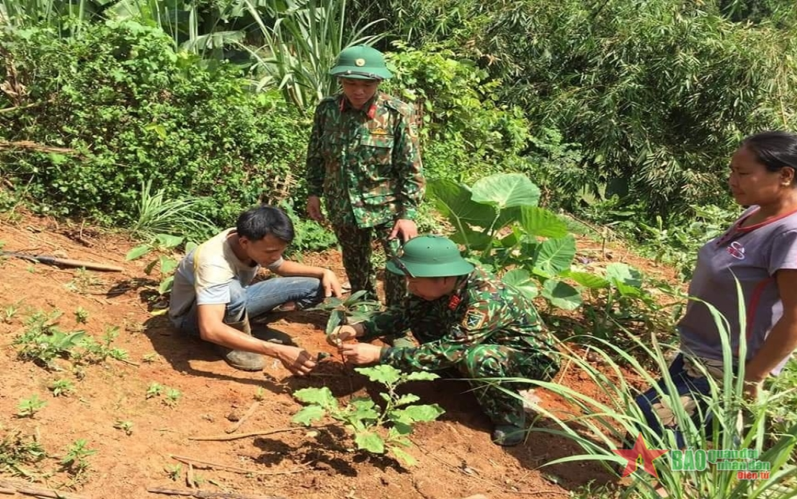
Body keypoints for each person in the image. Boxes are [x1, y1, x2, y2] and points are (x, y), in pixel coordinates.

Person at [635, 130, 797, 446]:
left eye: (743, 173)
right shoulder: (755, 211)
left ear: (786, 175)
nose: (732, 180)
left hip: (729, 366)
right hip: (698, 352)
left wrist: (753, 377)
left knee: (650, 433)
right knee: (696, 441)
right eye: (732, 171)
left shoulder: (789, 235)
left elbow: (795, 316)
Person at [329, 235, 561, 446]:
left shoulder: (486, 299)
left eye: (414, 280)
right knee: (424, 319)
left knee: (478, 358)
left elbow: (451, 349)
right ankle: (457, 378)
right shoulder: (439, 288)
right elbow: (402, 314)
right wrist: (358, 329)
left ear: (443, 278)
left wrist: (380, 354)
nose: (410, 286)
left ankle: (509, 417)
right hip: (482, 344)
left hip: (530, 360)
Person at [305, 44, 425, 308]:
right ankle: (365, 310)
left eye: (367, 85)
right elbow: (315, 154)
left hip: (388, 206)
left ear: (379, 82)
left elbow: (410, 167)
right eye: (350, 84)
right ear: (340, 81)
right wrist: (313, 192)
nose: (358, 91)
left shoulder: (396, 113)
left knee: (398, 264)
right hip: (343, 203)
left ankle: (397, 319)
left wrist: (408, 215)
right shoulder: (327, 110)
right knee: (355, 260)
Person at [169, 205, 343, 374]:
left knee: (315, 287)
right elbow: (210, 328)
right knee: (233, 291)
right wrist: (277, 351)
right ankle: (229, 343)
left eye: (280, 250)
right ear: (244, 242)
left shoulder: (254, 240)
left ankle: (251, 327)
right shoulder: (213, 263)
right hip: (193, 320)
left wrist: (323, 272)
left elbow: (280, 266)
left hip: (233, 303)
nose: (275, 256)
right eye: (271, 252)